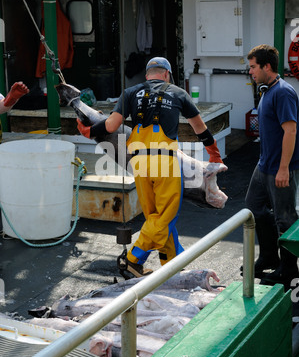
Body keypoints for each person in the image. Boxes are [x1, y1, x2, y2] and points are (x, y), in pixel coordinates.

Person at [76, 57, 223, 278]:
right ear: (167, 74)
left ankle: (173, 265)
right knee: (164, 218)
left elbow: (110, 126)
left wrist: (88, 132)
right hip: (165, 163)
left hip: (139, 163)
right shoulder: (178, 93)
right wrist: (214, 154)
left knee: (155, 216)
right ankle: (133, 259)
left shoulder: (130, 92)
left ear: (147, 75)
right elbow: (200, 128)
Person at [245, 44, 299, 290]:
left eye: (254, 67)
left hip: (280, 167)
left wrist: (284, 168)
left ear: (267, 66)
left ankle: (288, 271)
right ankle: (269, 256)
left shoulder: (283, 93)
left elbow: (291, 130)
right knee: (254, 206)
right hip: (264, 165)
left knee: (285, 218)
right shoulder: (266, 90)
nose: (251, 72)